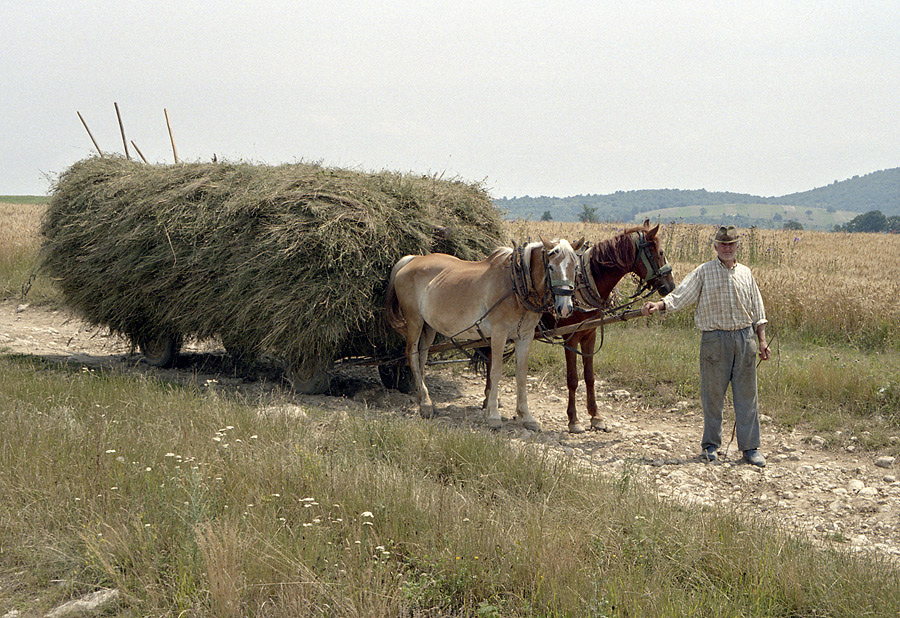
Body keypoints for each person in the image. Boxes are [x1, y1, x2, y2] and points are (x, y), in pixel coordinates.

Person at [642, 225, 771, 467]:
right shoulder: (704, 272)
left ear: (737, 247)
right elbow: (681, 295)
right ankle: (711, 446)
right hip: (714, 340)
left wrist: (762, 340)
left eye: (731, 244)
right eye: (722, 244)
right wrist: (659, 306)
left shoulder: (746, 273)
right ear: (715, 246)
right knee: (712, 396)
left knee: (747, 396)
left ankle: (750, 448)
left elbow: (758, 309)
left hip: (745, 339)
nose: (727, 248)